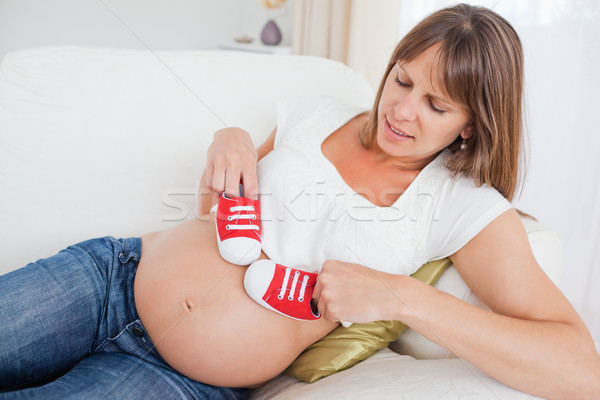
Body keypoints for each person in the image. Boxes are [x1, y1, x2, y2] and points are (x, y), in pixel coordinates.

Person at [1, 4, 599, 400]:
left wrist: (404, 297)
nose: (401, 109)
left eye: (437, 106)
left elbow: (580, 367)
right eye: (403, 79)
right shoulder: (318, 112)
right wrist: (229, 139)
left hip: (175, 378)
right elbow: (224, 201)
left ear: (471, 125)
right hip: (110, 275)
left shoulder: (467, 208)